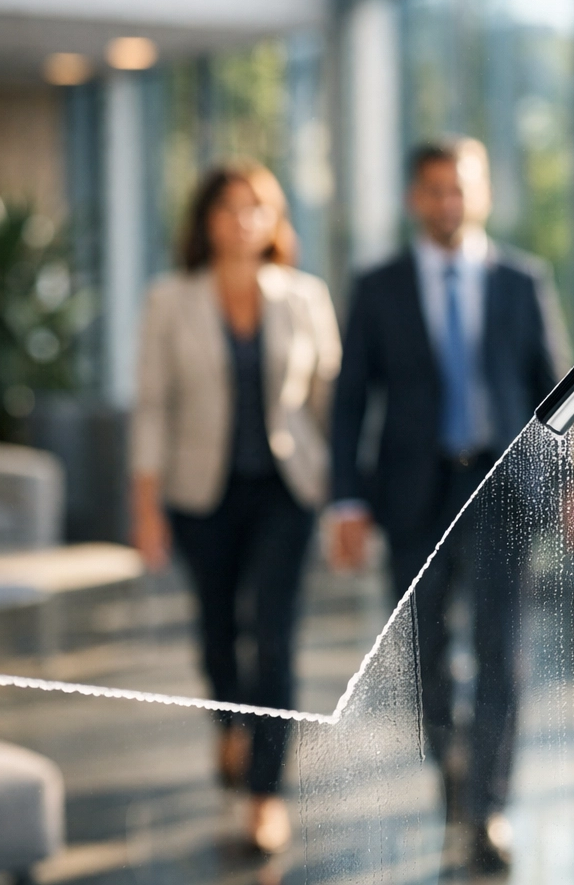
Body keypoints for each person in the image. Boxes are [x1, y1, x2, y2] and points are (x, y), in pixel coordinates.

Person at [329, 137, 574, 876]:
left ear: (483, 194)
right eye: (436, 189)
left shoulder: (521, 280)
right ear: (415, 198)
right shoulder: (378, 287)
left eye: (462, 188)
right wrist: (345, 501)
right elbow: (351, 401)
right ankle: (452, 770)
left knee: (503, 651)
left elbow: (558, 388)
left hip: (503, 488)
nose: (450, 202)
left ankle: (488, 807)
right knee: (426, 652)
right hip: (415, 492)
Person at [132, 162, 341, 855]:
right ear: (207, 220)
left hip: (286, 491)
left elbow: (328, 403)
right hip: (202, 494)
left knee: (275, 636)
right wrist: (146, 506)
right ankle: (229, 723)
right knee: (218, 632)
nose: (242, 220)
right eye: (228, 207)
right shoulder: (169, 299)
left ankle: (265, 793)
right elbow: (152, 408)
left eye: (257, 207)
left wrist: (339, 493)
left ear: (275, 220)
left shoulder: (305, 296)